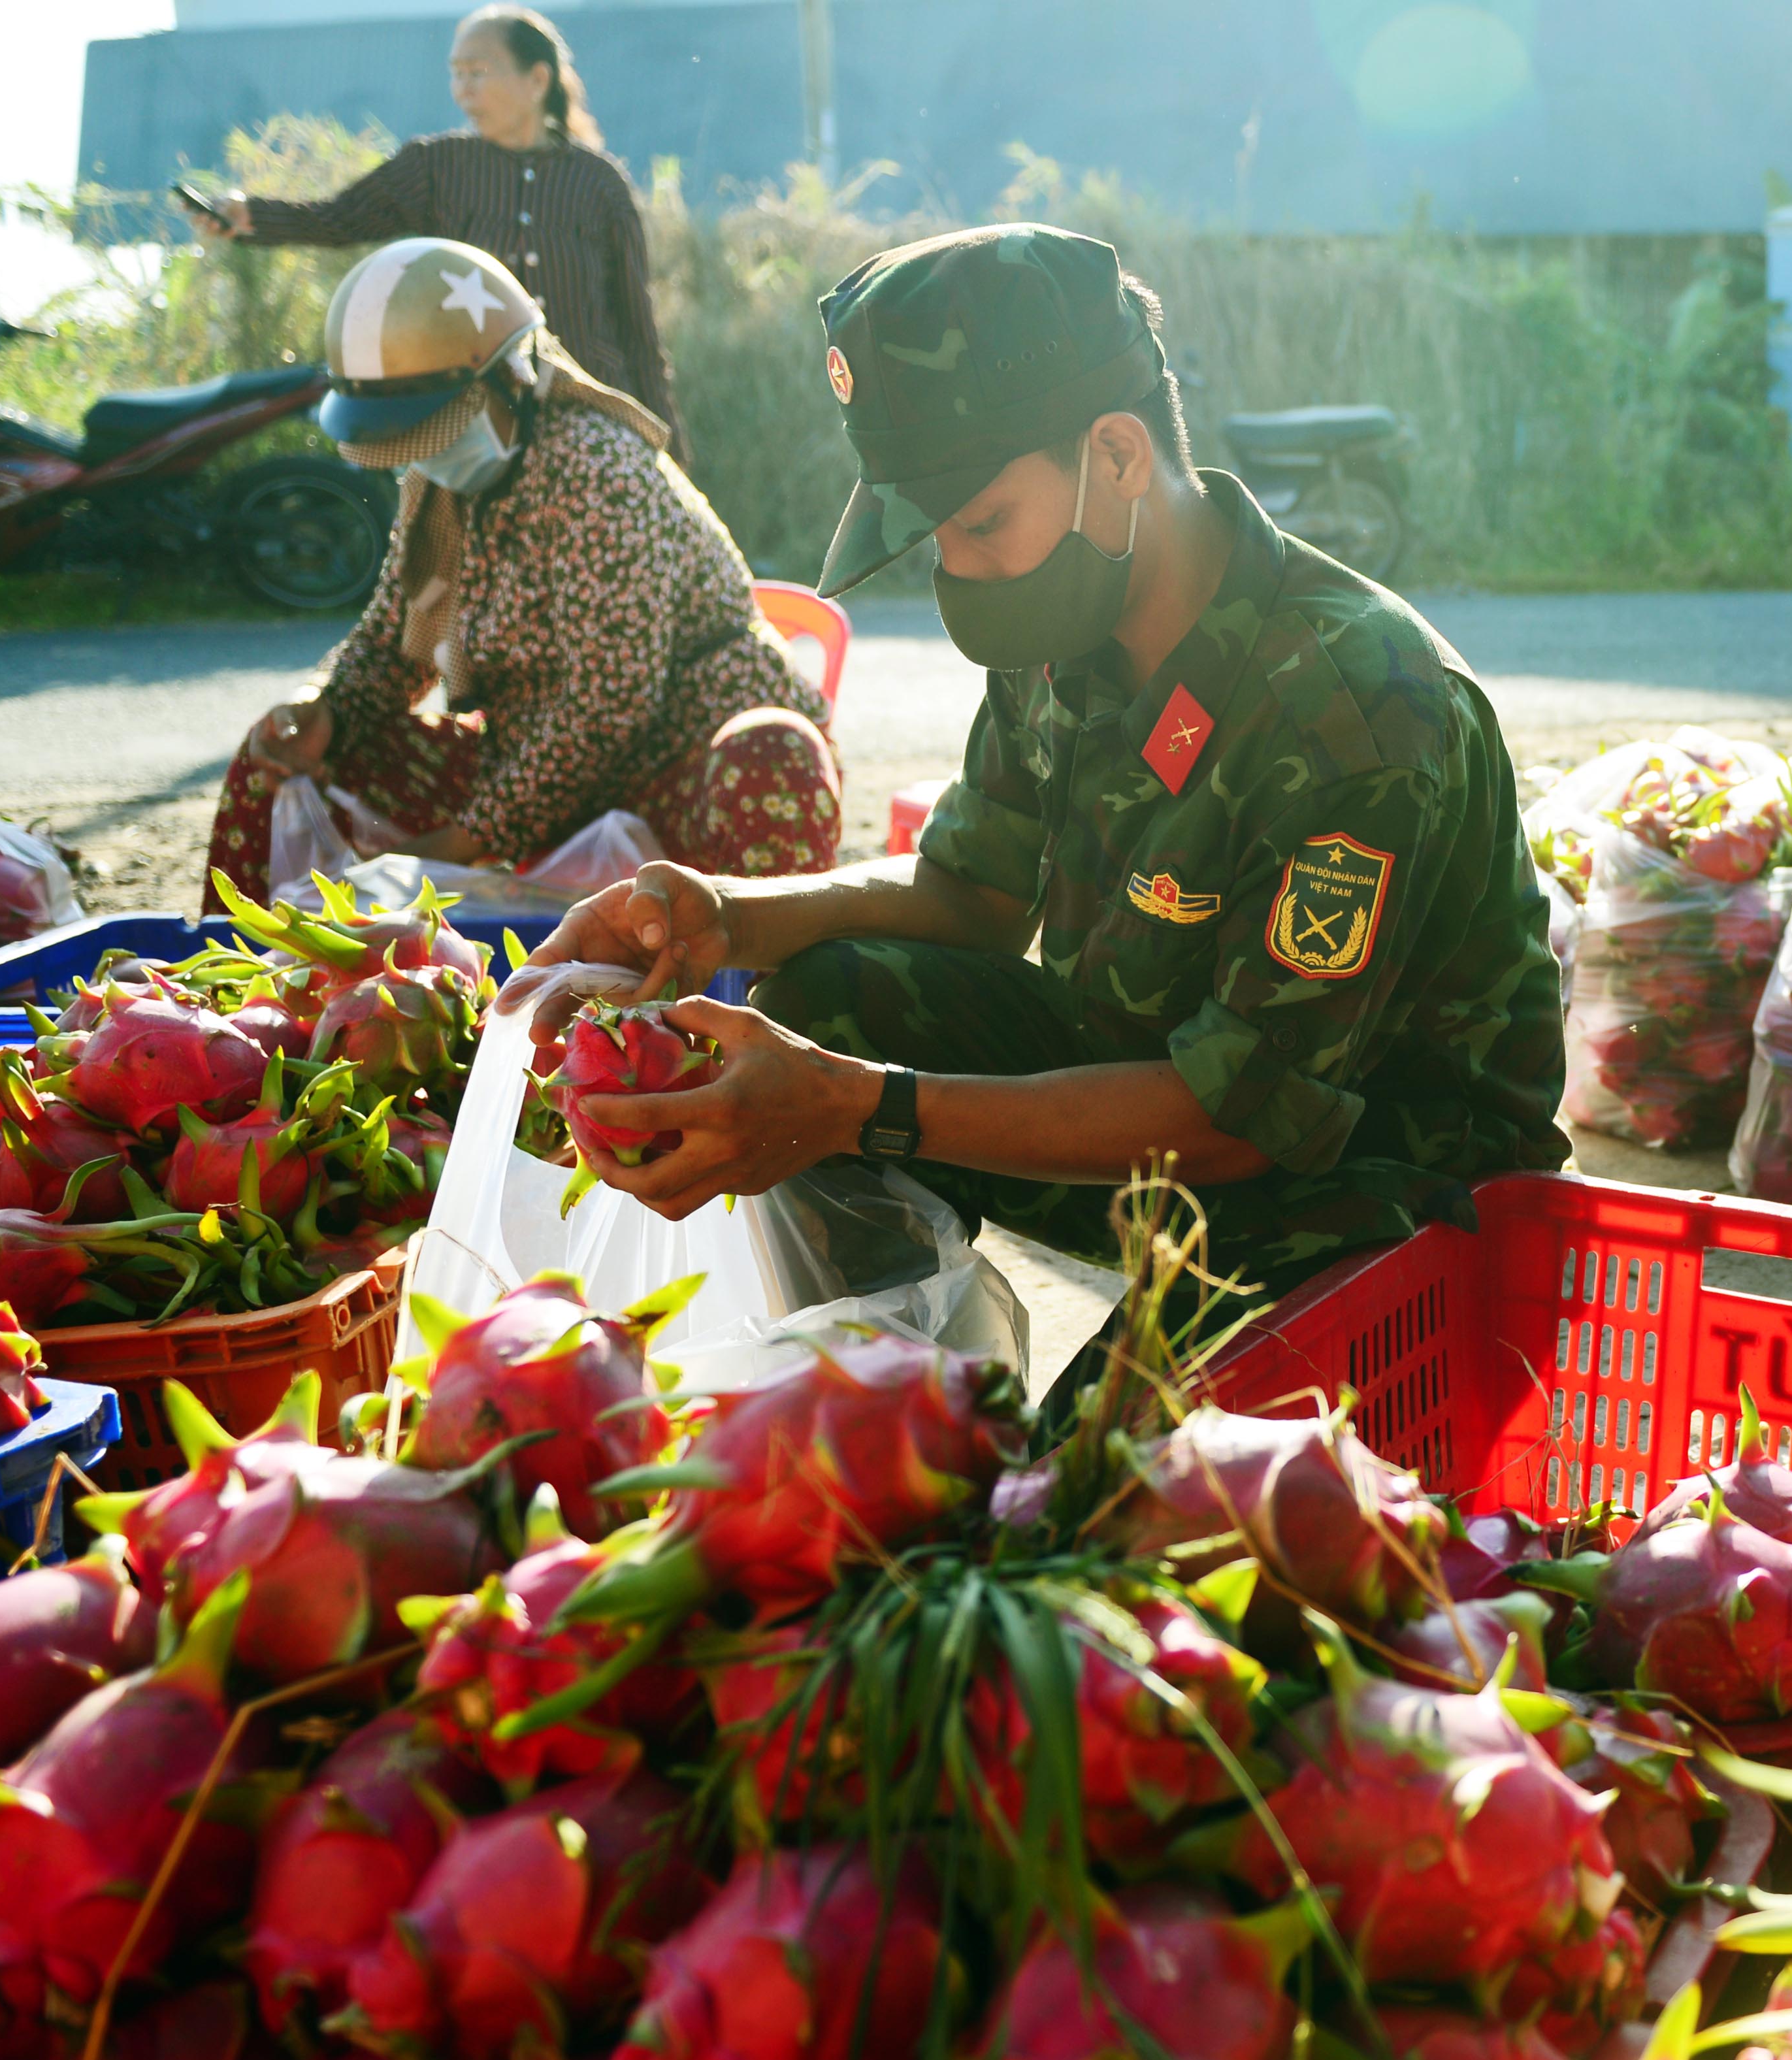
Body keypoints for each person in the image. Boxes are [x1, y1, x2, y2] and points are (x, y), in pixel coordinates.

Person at [521, 224, 1567, 1399]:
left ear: (1116, 454)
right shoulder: (1063, 610)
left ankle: (952, 1410)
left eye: (979, 524)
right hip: (1138, 1101)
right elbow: (967, 890)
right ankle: (875, 1383)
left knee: (1071, 1510)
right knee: (828, 995)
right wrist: (725, 914)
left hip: (1376, 1199)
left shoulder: (1355, 711)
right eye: (935, 536)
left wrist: (853, 1106)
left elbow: (1237, 1116)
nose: (958, 571)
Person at [204, 237, 836, 906]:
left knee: (772, 755)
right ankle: (226, 989)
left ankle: (761, 995)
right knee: (272, 760)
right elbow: (393, 645)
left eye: (436, 425)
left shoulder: (600, 472)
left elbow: (607, 709)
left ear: (510, 380)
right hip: (538, 780)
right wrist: (324, 707)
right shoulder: (439, 492)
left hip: (677, 774)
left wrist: (457, 845)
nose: (423, 452)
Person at [185, 6, 681, 452]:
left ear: (537, 80)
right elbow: (338, 219)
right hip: (476, 430)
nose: (463, 89)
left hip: (591, 428)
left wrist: (667, 446)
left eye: (478, 72)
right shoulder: (435, 168)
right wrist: (254, 216)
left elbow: (638, 330)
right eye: (456, 74)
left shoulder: (600, 183)